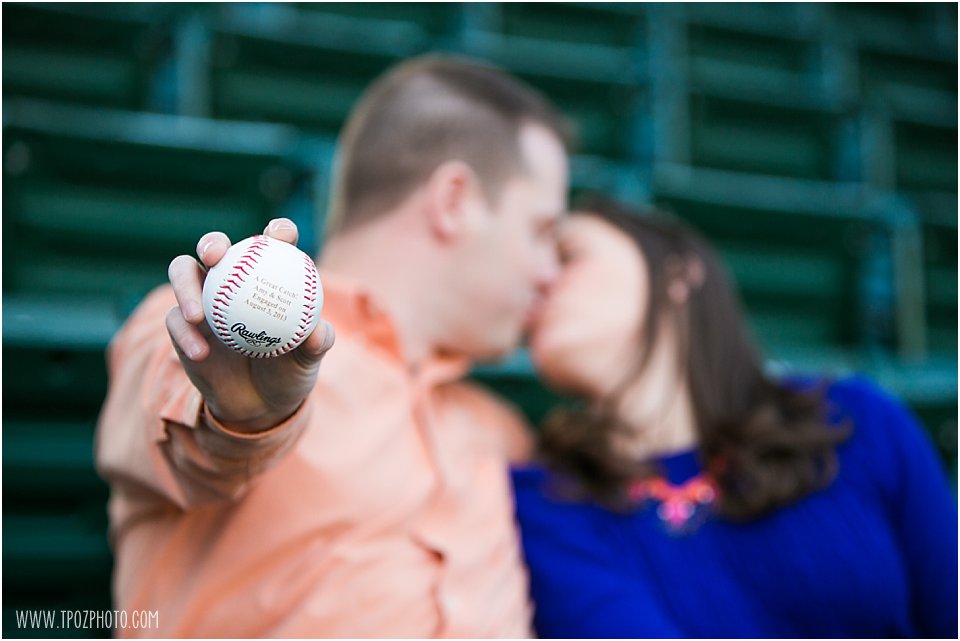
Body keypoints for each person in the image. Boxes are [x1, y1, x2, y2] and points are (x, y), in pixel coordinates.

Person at [95, 55, 569, 637]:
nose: (552, 273)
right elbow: (188, 431)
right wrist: (245, 416)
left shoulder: (500, 433)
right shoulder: (193, 330)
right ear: (454, 201)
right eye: (542, 231)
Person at [513, 197, 958, 638]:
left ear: (677, 274)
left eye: (568, 256)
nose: (539, 279)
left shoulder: (855, 421)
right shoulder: (544, 502)